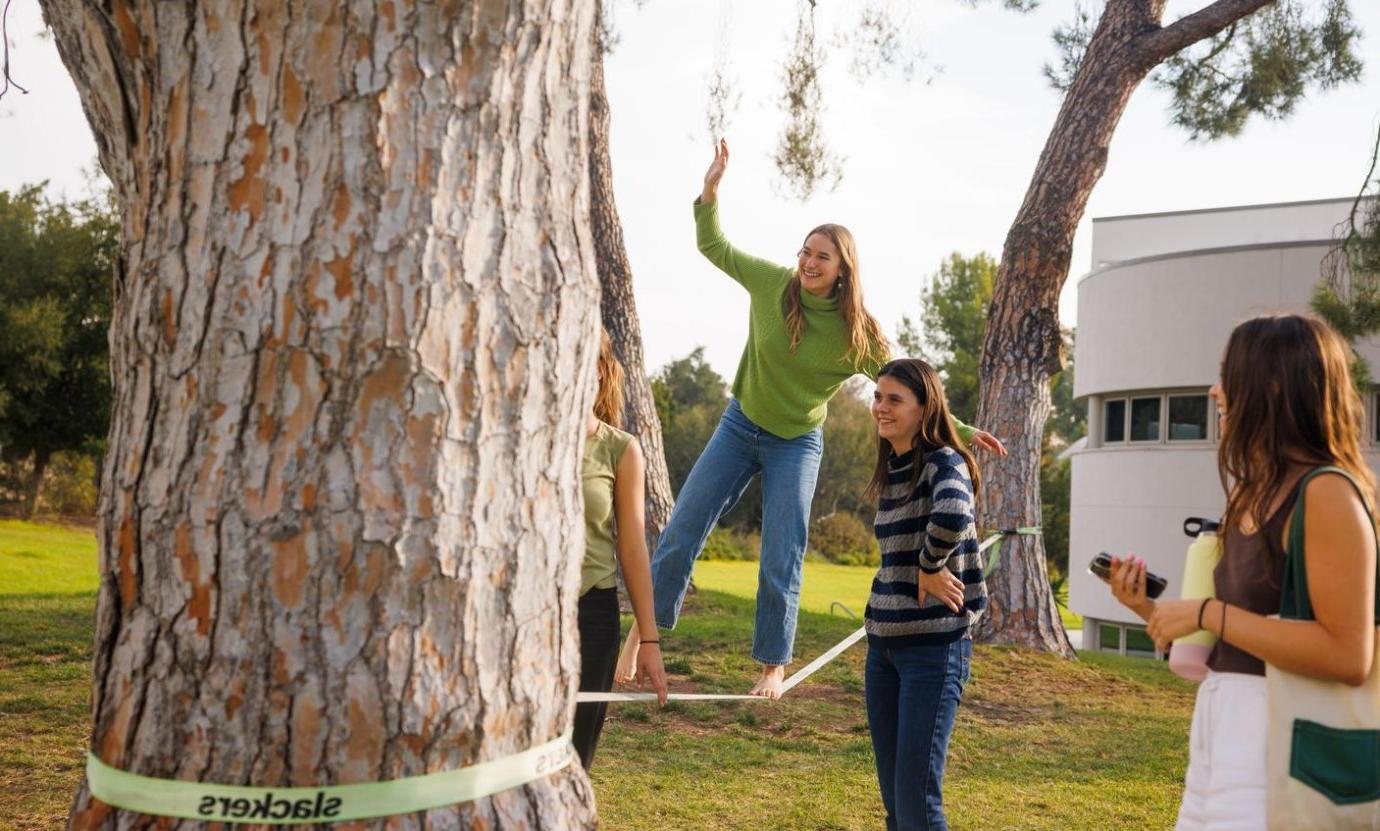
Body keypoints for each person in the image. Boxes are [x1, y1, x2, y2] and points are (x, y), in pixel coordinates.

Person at [628, 139, 1006, 699]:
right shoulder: (770, 284)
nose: (807, 261)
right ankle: (646, 631)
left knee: (782, 551)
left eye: (820, 256)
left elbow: (909, 382)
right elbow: (714, 244)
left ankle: (771, 665)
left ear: (842, 269)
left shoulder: (857, 334)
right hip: (739, 425)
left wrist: (965, 431)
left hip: (796, 442)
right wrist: (709, 192)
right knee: (683, 528)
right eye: (804, 251)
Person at [1105, 314, 1377, 830]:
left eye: (1228, 374)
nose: (1214, 390)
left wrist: (1210, 611)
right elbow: (1234, 638)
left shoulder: (1326, 494)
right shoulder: (1251, 492)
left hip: (1281, 747)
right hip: (1220, 734)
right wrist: (1153, 612)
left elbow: (1348, 654)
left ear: (1270, 386)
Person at [863, 358, 985, 831]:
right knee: (897, 800)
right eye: (878, 396)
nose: (880, 408)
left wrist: (929, 566)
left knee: (917, 803)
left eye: (894, 399)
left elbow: (955, 512)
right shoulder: (895, 467)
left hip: (934, 651)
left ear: (923, 408)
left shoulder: (942, 460)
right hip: (885, 651)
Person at [574, 330, 668, 770]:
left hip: (591, 617)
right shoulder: (520, 438)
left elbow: (632, 548)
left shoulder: (621, 449)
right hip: (522, 618)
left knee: (573, 762)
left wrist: (647, 638)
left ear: (599, 370)